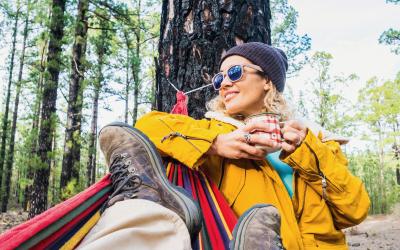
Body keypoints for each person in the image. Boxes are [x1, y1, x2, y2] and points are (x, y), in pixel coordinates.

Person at [79, 42, 370, 250]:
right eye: (219, 78)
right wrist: (217, 144)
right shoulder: (213, 130)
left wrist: (309, 153)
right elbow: (147, 125)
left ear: (267, 80)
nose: (223, 85)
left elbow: (354, 211)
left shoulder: (316, 140)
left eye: (235, 74)